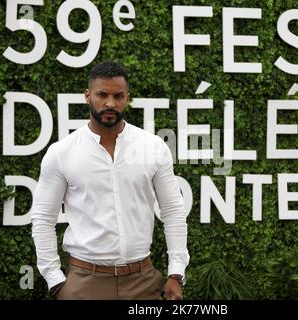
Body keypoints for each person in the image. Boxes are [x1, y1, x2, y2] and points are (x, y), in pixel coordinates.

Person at [31, 60, 189, 300]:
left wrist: (176, 273)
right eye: (102, 94)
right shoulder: (62, 153)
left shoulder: (153, 147)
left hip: (143, 282)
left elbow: (173, 210)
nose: (110, 103)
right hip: (84, 282)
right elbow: (43, 219)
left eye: (118, 96)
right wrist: (55, 281)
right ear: (87, 95)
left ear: (127, 98)